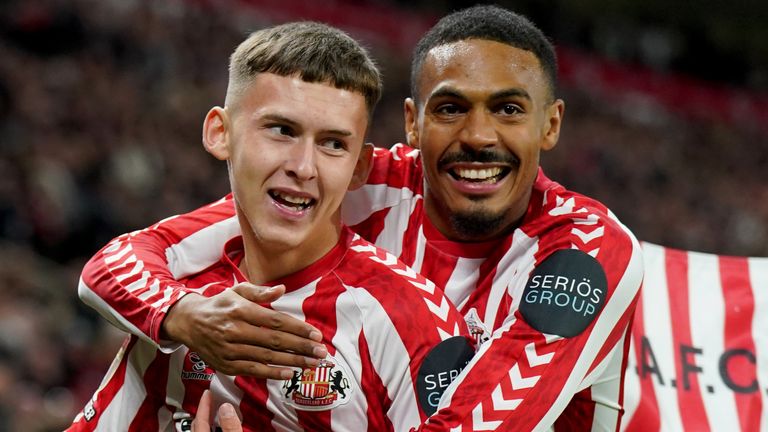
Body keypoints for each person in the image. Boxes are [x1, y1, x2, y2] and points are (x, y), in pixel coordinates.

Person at [79, 5, 644, 431]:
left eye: (509, 110)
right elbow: (125, 258)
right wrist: (181, 313)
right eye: (450, 109)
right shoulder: (358, 179)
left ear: (550, 126)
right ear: (412, 124)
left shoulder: (583, 249)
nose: (478, 136)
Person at [68, 21, 473, 431]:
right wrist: (186, 316)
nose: (303, 167)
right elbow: (108, 265)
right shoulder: (181, 276)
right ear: (219, 133)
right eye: (282, 130)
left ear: (360, 168)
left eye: (333, 143)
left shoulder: (412, 323)